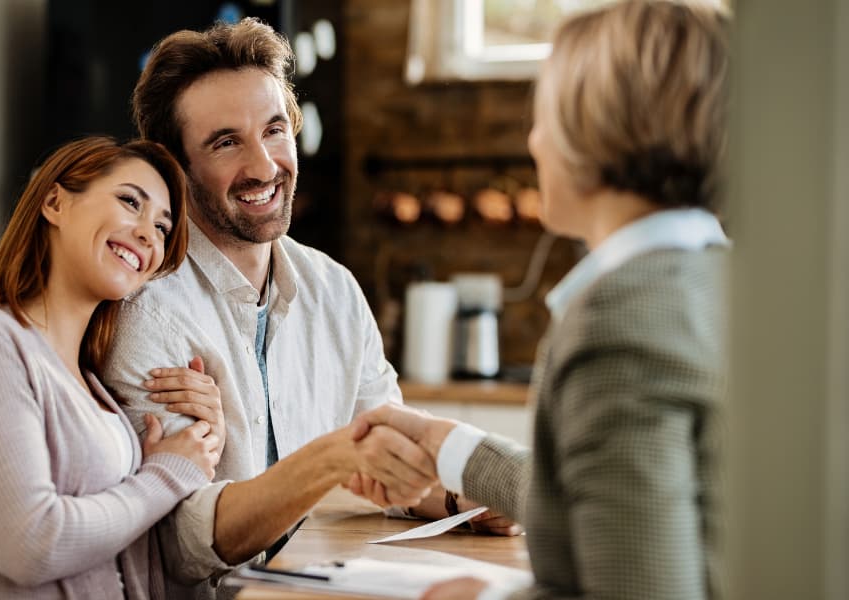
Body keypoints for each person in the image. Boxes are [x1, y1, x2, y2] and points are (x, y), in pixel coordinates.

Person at [352, 1, 730, 598]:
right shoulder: (722, 281)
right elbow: (615, 499)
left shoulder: (622, 321)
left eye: (544, 114)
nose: (532, 138)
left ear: (595, 130)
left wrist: (483, 597)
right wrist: (447, 444)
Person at [100, 18, 461, 598]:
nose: (265, 167)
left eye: (273, 130)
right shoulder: (145, 310)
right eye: (226, 142)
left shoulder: (334, 289)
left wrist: (458, 499)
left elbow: (382, 462)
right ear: (173, 166)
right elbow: (181, 540)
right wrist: (332, 459)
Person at [0, 136, 224, 599]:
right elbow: (31, 543)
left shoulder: (93, 385)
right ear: (55, 202)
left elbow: (127, 543)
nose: (147, 234)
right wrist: (167, 474)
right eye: (129, 202)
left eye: (162, 228)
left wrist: (203, 438)